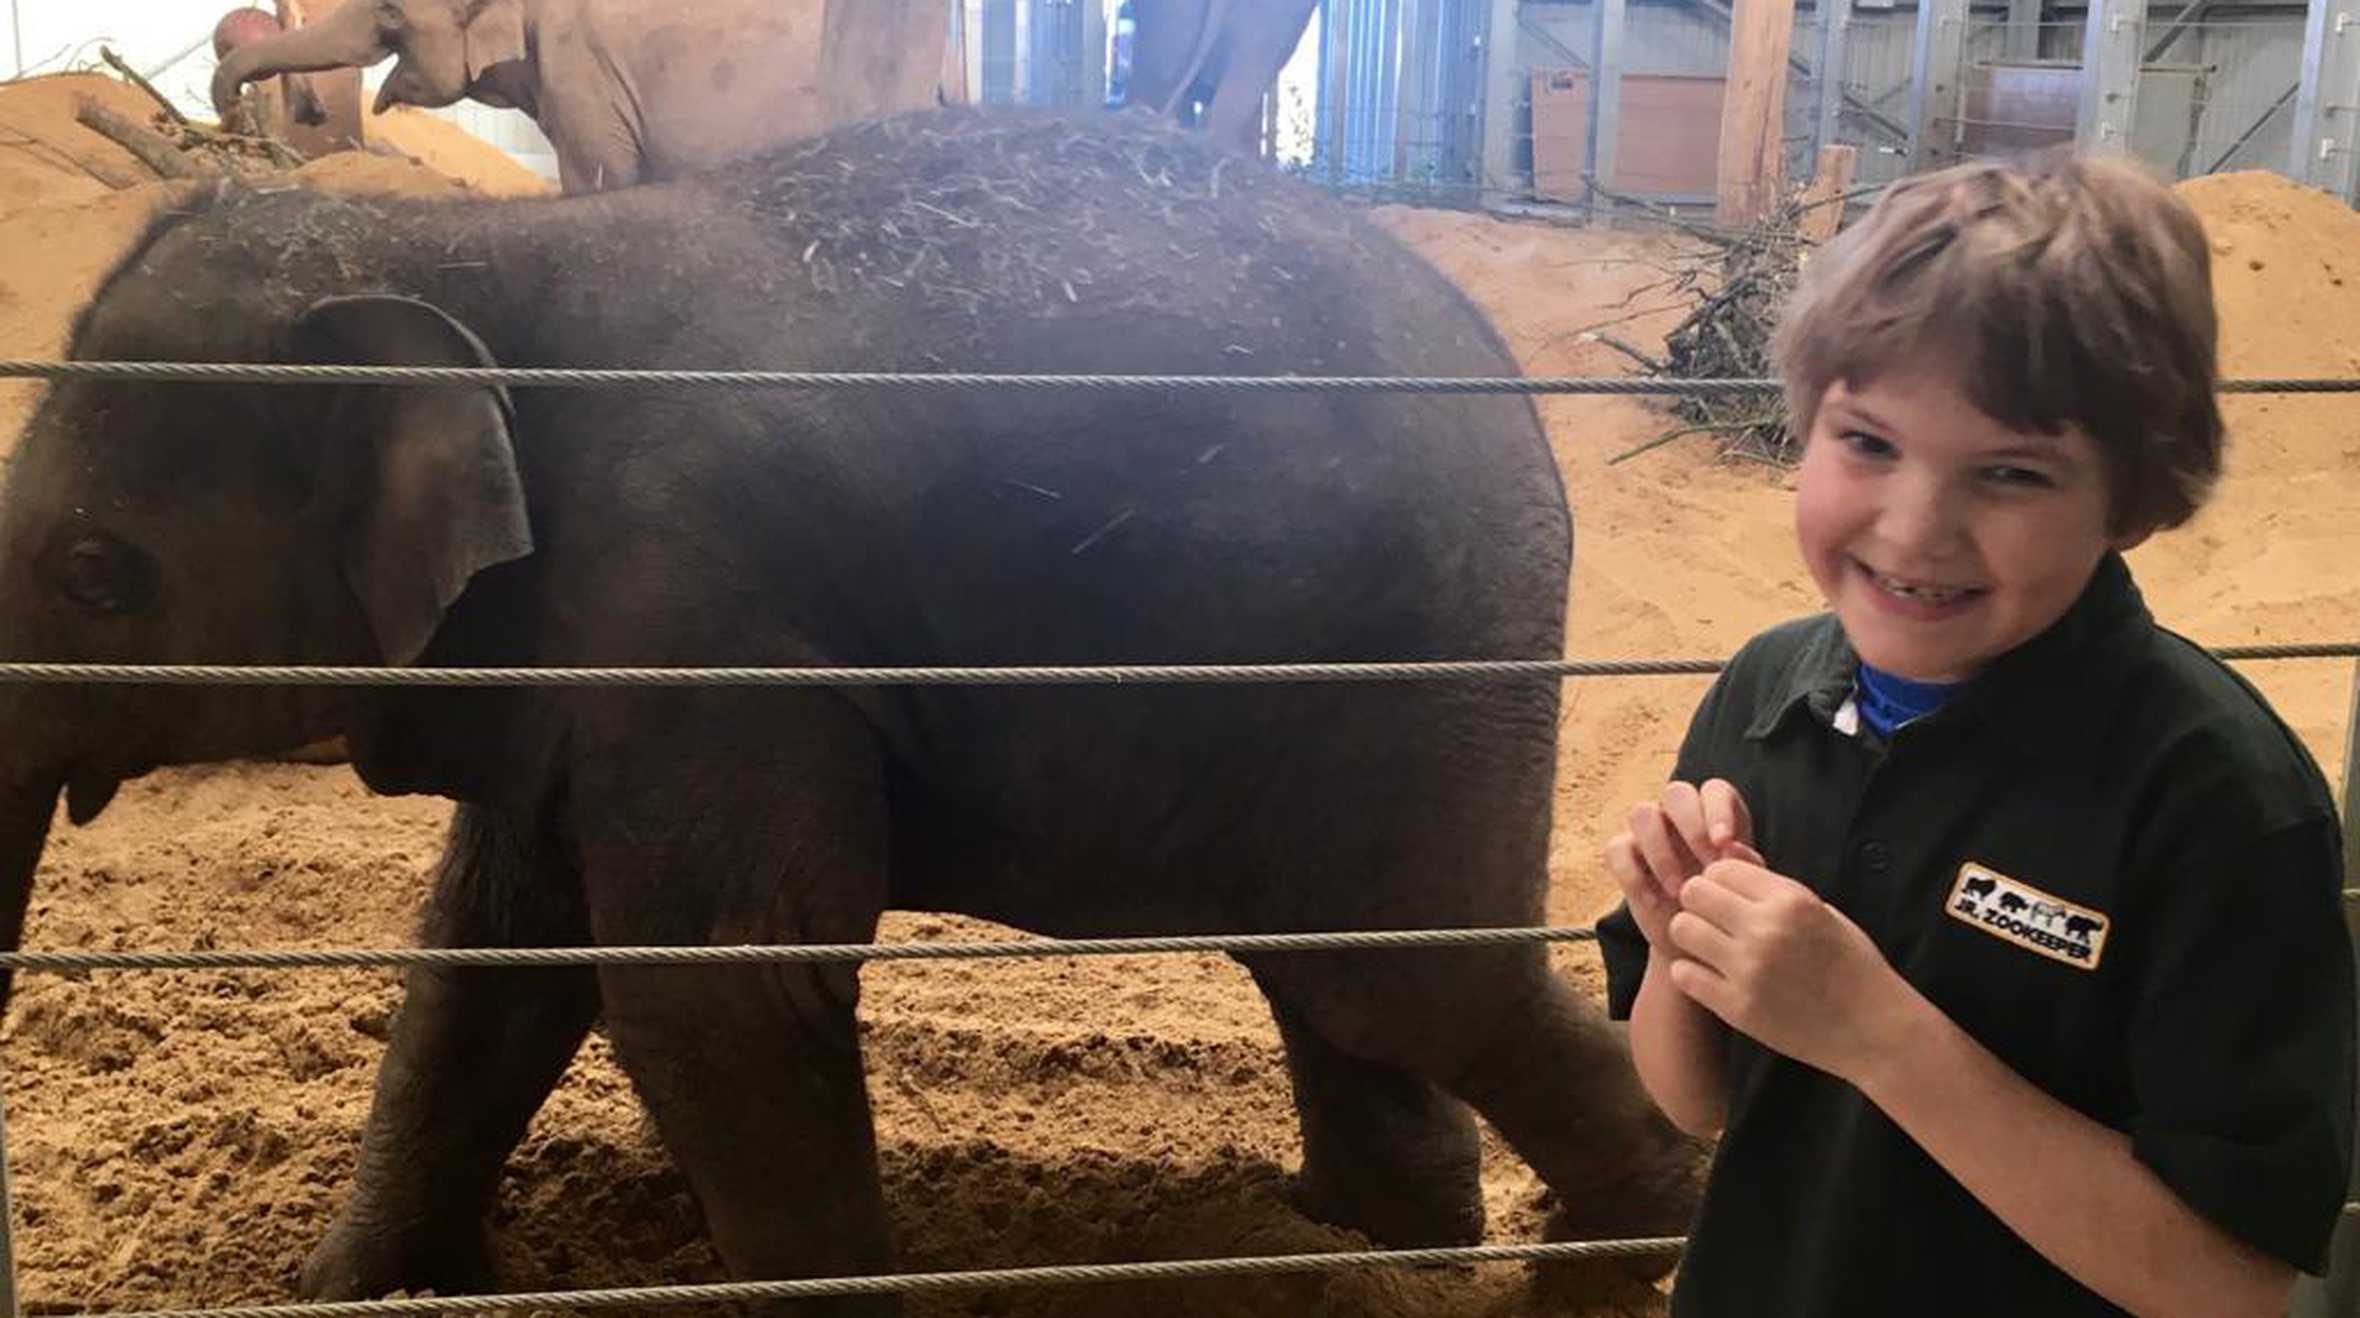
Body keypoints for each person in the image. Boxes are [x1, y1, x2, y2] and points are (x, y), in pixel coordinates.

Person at [1597, 150, 2356, 1317]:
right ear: (1801, 423)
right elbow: (1697, 1102)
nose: (1913, 529)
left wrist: (1873, 1031)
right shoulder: (1763, 694)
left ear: (2135, 497)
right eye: (1866, 442)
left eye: (2007, 472)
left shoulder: (2215, 796)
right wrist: (1677, 942)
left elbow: (2226, 1281)